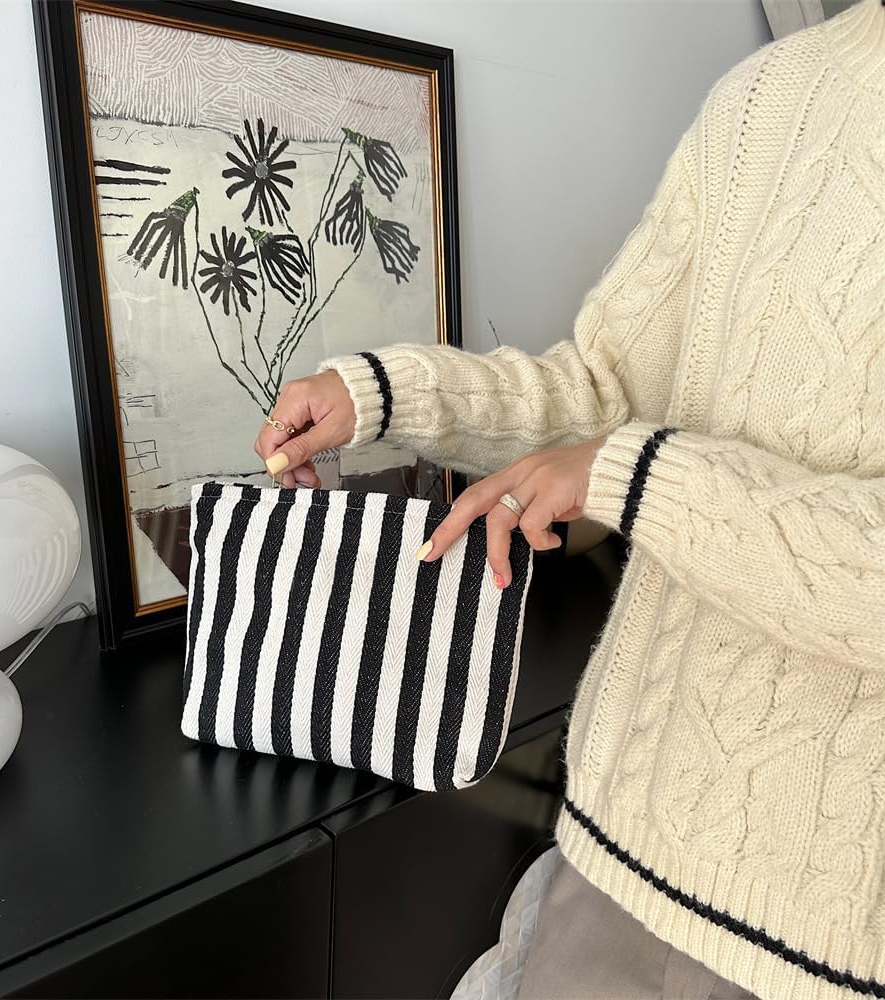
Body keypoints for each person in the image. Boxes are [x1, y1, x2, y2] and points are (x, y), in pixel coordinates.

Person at [254, 1, 884, 997]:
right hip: (617, 854)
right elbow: (601, 392)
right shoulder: (766, 96)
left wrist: (639, 476)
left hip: (838, 939)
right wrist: (383, 393)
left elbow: (623, 457)